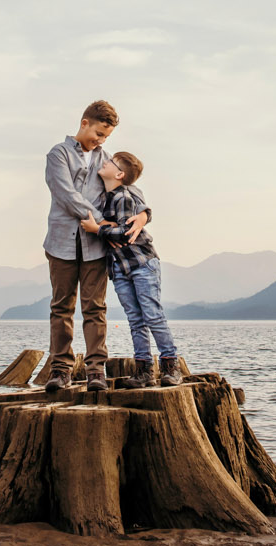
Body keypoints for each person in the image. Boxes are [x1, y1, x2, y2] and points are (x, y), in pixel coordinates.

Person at [42, 100, 147, 391]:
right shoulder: (58, 154)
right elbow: (65, 195)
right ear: (84, 123)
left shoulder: (107, 159)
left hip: (95, 248)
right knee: (61, 307)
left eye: (106, 137)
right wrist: (104, 225)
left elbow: (129, 187)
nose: (100, 140)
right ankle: (61, 370)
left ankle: (96, 371)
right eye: (98, 133)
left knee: (95, 309)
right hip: (61, 243)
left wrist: (144, 212)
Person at [94, 151, 183, 387]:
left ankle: (170, 365)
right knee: (135, 319)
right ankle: (144, 370)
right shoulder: (106, 197)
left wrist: (97, 229)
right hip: (120, 268)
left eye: (110, 162)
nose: (105, 162)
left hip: (141, 263)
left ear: (120, 174)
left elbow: (124, 233)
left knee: (152, 315)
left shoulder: (124, 197)